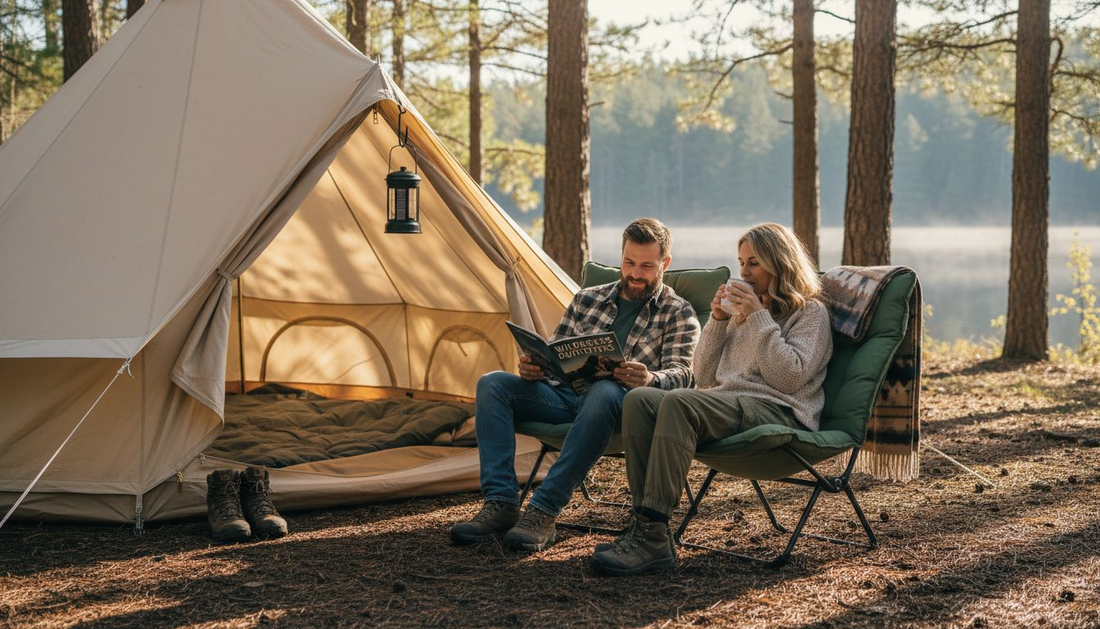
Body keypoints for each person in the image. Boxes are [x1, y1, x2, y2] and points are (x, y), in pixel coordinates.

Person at [589, 222, 833, 576]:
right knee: (641, 398)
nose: (744, 272)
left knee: (679, 402)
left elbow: (788, 377)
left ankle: (653, 537)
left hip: (778, 411)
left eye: (753, 263)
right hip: (730, 405)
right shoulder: (743, 312)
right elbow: (703, 376)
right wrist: (718, 320)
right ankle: (644, 528)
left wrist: (759, 316)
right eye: (741, 262)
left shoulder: (810, 313)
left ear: (779, 263)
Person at [450, 218, 701, 551]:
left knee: (605, 389)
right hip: (565, 399)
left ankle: (543, 510)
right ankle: (500, 503)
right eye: (629, 263)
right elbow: (557, 354)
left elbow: (686, 374)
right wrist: (536, 368)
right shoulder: (587, 299)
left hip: (621, 412)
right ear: (621, 257)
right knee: (493, 384)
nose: (635, 274)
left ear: (665, 264)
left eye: (646, 266)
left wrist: (651, 378)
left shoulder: (678, 313)